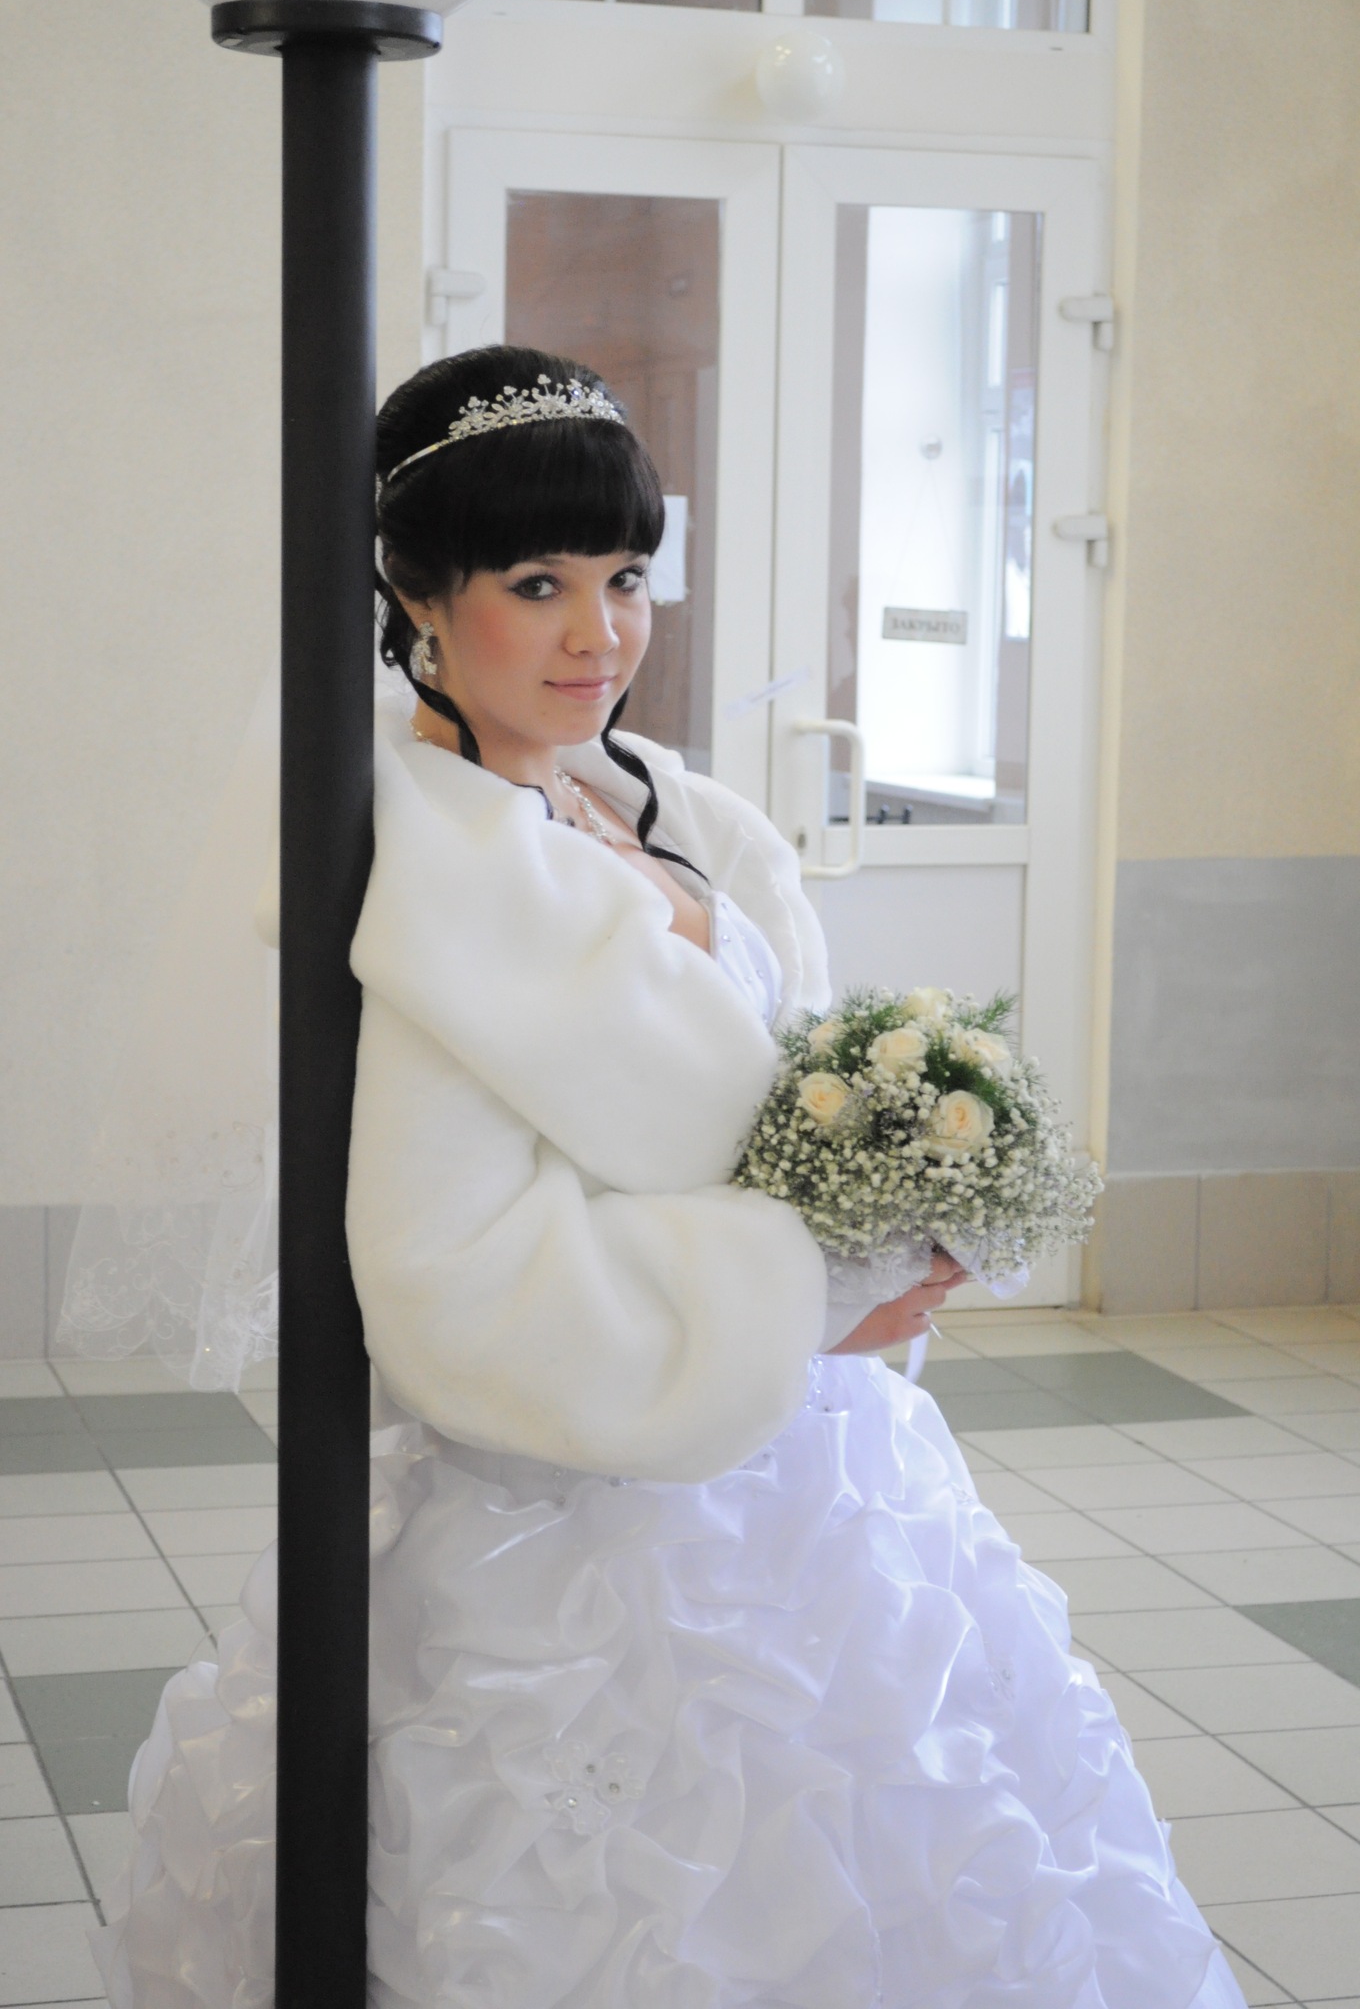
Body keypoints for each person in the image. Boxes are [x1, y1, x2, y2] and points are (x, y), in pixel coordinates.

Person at [92, 346, 1245, 2009]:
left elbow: (745, 1117)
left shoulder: (648, 804)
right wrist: (808, 1294)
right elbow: (454, 1282)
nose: (599, 635)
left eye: (626, 578)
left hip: (813, 1492)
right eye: (536, 585)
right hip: (582, 1544)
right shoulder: (434, 892)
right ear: (415, 598)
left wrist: (893, 1197)